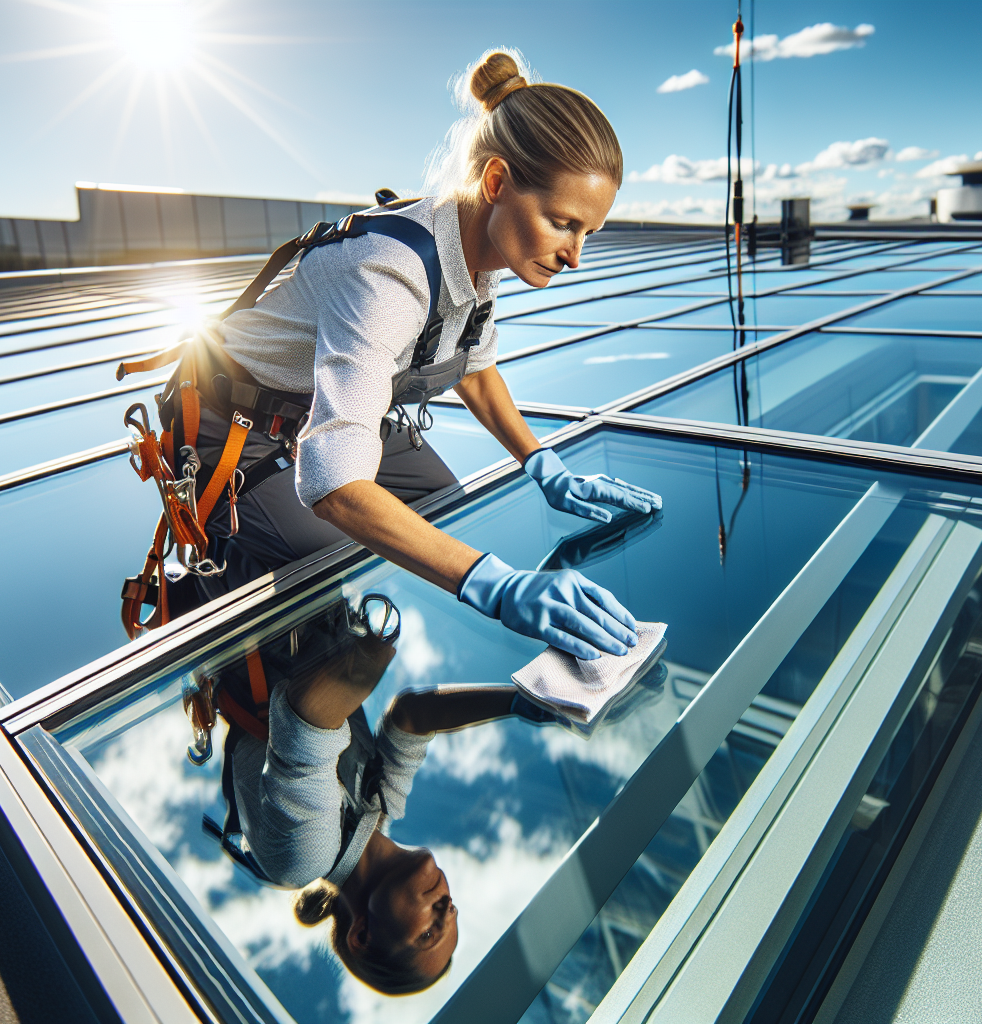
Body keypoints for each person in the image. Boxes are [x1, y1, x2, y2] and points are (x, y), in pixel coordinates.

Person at [154, 48, 659, 662]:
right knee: (330, 559)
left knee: (451, 518)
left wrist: (543, 464)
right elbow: (335, 482)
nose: (574, 255)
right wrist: (496, 586)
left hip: (321, 406)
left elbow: (474, 368)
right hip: (239, 427)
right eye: (562, 223)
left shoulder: (481, 248)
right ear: (496, 183)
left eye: (588, 233)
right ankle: (234, 593)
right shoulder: (389, 276)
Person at [216, 597, 555, 994]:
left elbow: (305, 718)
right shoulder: (380, 810)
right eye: (454, 914)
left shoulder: (300, 860)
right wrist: (522, 700)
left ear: (362, 935)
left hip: (246, 607)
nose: (447, 908)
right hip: (305, 597)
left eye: (429, 933)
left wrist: (375, 644)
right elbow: (411, 717)